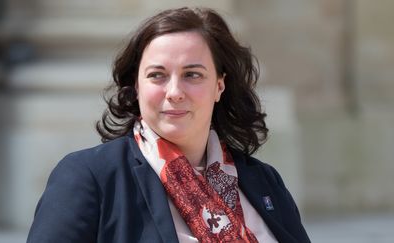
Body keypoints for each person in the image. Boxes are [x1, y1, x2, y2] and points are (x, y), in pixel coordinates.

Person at [27, 7, 310, 243]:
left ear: (219, 86)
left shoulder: (264, 181)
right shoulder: (89, 177)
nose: (174, 91)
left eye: (192, 74)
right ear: (136, 87)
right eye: (157, 75)